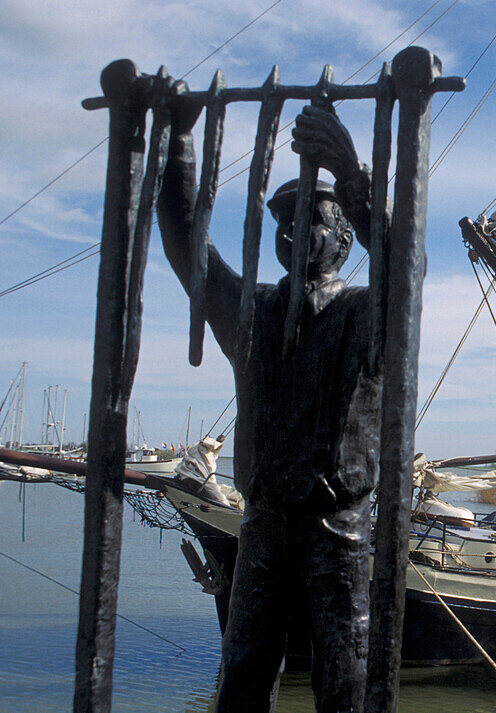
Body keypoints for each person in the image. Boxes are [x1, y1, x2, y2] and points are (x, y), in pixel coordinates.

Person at [157, 93, 382, 712]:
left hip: (337, 527)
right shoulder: (252, 313)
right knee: (242, 684)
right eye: (281, 219)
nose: (288, 230)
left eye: (308, 216)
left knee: (345, 686)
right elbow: (188, 249)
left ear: (342, 239)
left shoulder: (364, 313)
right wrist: (178, 146)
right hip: (263, 523)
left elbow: (403, 270)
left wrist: (351, 174)